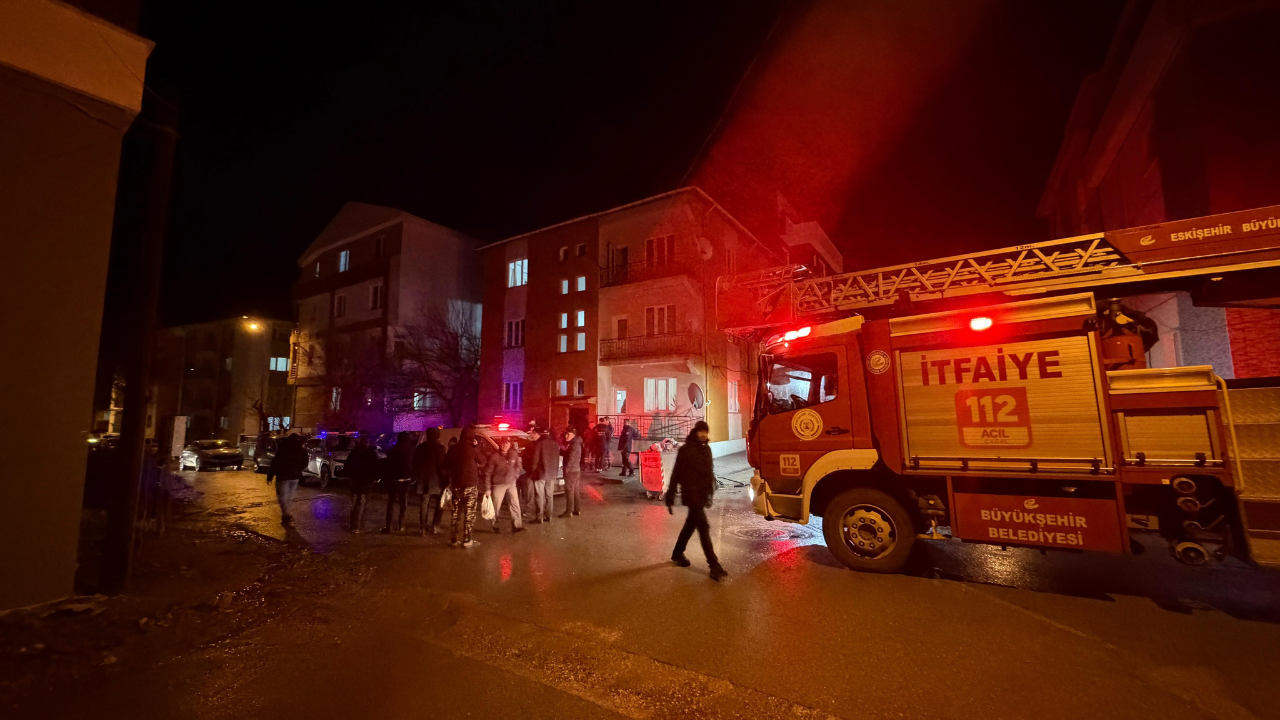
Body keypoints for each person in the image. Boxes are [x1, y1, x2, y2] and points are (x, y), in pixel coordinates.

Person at [664, 421, 727, 580]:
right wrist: (670, 494)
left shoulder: (707, 450)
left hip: (702, 494)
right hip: (691, 494)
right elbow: (676, 473)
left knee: (690, 525)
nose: (704, 434)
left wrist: (709, 492)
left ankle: (677, 553)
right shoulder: (685, 450)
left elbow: (709, 472)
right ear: (695, 432)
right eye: (701, 431)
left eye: (706, 431)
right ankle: (713, 565)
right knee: (703, 527)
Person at [448, 426, 484, 547]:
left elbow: (446, 465)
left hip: (457, 484)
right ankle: (467, 540)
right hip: (471, 485)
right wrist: (477, 446)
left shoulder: (453, 449)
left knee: (455, 512)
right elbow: (483, 461)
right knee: (469, 513)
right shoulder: (473, 449)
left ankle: (454, 539)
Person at [483, 437, 524, 533]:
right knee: (496, 506)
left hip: (511, 483)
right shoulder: (494, 457)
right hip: (498, 485)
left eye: (507, 443)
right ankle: (495, 525)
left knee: (515, 504)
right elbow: (487, 473)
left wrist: (516, 475)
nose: (505, 445)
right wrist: (487, 488)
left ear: (509, 444)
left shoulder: (513, 454)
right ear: (500, 444)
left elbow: (518, 466)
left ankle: (517, 525)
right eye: (503, 443)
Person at [413, 427, 448, 535]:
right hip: (436, 480)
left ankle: (422, 528)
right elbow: (442, 466)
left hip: (423, 479)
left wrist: (417, 476)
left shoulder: (420, 448)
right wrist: (445, 480)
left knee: (424, 503)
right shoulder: (440, 448)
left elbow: (415, 464)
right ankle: (435, 526)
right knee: (439, 503)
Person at [268, 433, 308, 526]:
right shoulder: (302, 450)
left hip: (283, 477)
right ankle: (287, 515)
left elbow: (275, 463)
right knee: (289, 497)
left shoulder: (283, 450)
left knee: (282, 497)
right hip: (295, 477)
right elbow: (305, 463)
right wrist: (298, 470)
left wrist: (270, 476)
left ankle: (286, 515)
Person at [382, 431, 416, 534]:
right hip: (407, 478)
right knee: (403, 501)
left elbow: (388, 464)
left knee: (391, 502)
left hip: (394, 479)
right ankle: (401, 524)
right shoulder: (412, 449)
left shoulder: (393, 449)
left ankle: (388, 526)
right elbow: (414, 464)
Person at [345, 437, 380, 533]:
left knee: (354, 503)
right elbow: (376, 467)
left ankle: (352, 525)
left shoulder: (354, 453)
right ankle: (358, 526)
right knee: (362, 504)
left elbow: (347, 466)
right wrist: (374, 478)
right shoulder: (371, 454)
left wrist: (351, 476)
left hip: (355, 481)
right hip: (366, 483)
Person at [530, 426, 561, 523]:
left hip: (540, 474)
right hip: (552, 474)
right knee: (549, 495)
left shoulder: (539, 444)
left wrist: (533, 471)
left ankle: (539, 517)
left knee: (539, 496)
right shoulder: (555, 444)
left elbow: (535, 460)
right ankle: (549, 516)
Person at [559, 427, 583, 517]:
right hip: (576, 470)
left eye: (568, 434)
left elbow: (571, 459)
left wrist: (566, 470)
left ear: (573, 434)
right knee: (575, 491)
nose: (566, 436)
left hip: (571, 471)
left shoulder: (574, 445)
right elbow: (568, 454)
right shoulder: (574, 443)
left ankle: (569, 511)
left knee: (569, 491)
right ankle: (577, 509)